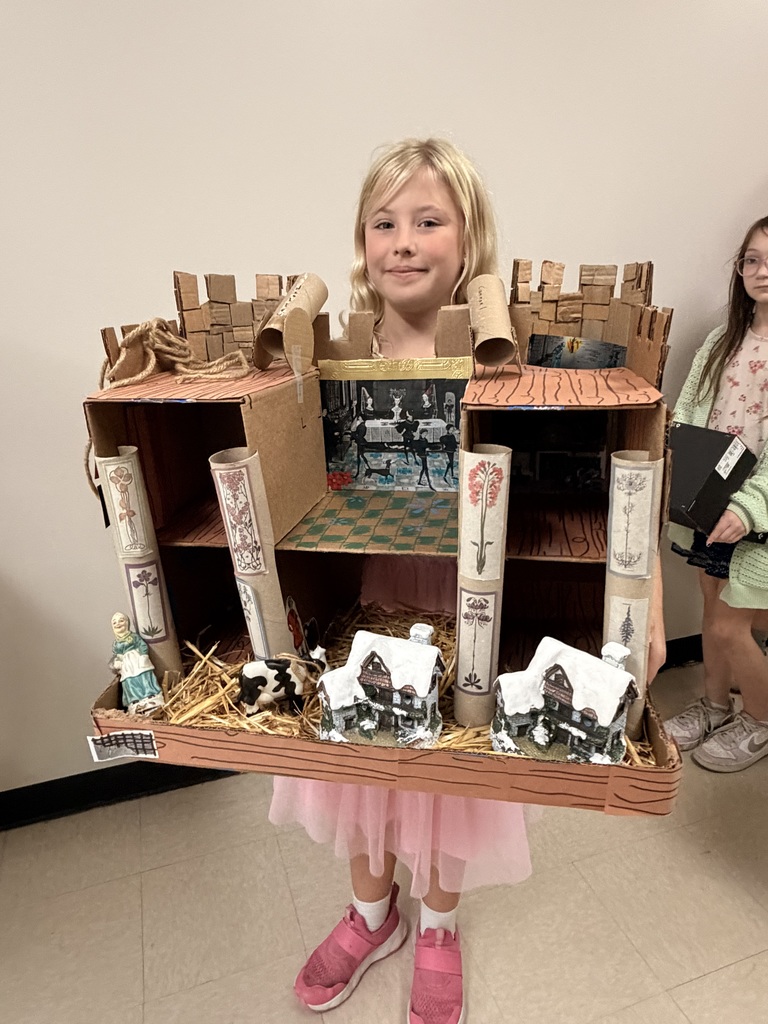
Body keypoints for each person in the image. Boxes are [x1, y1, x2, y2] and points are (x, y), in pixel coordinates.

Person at [269, 138, 529, 1024]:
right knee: (361, 758)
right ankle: (372, 913)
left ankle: (440, 926)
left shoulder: (496, 351)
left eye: (428, 221)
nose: (404, 242)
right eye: (385, 224)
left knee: (449, 769)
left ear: (466, 241)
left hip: (460, 588)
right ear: (362, 241)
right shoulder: (339, 347)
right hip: (364, 580)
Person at [664, 215, 768, 772]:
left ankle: (760, 717)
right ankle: (713, 704)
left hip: (755, 517)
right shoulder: (721, 340)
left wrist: (749, 508)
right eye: (751, 260)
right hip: (709, 503)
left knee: (733, 624)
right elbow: (689, 414)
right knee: (710, 608)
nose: (761, 271)